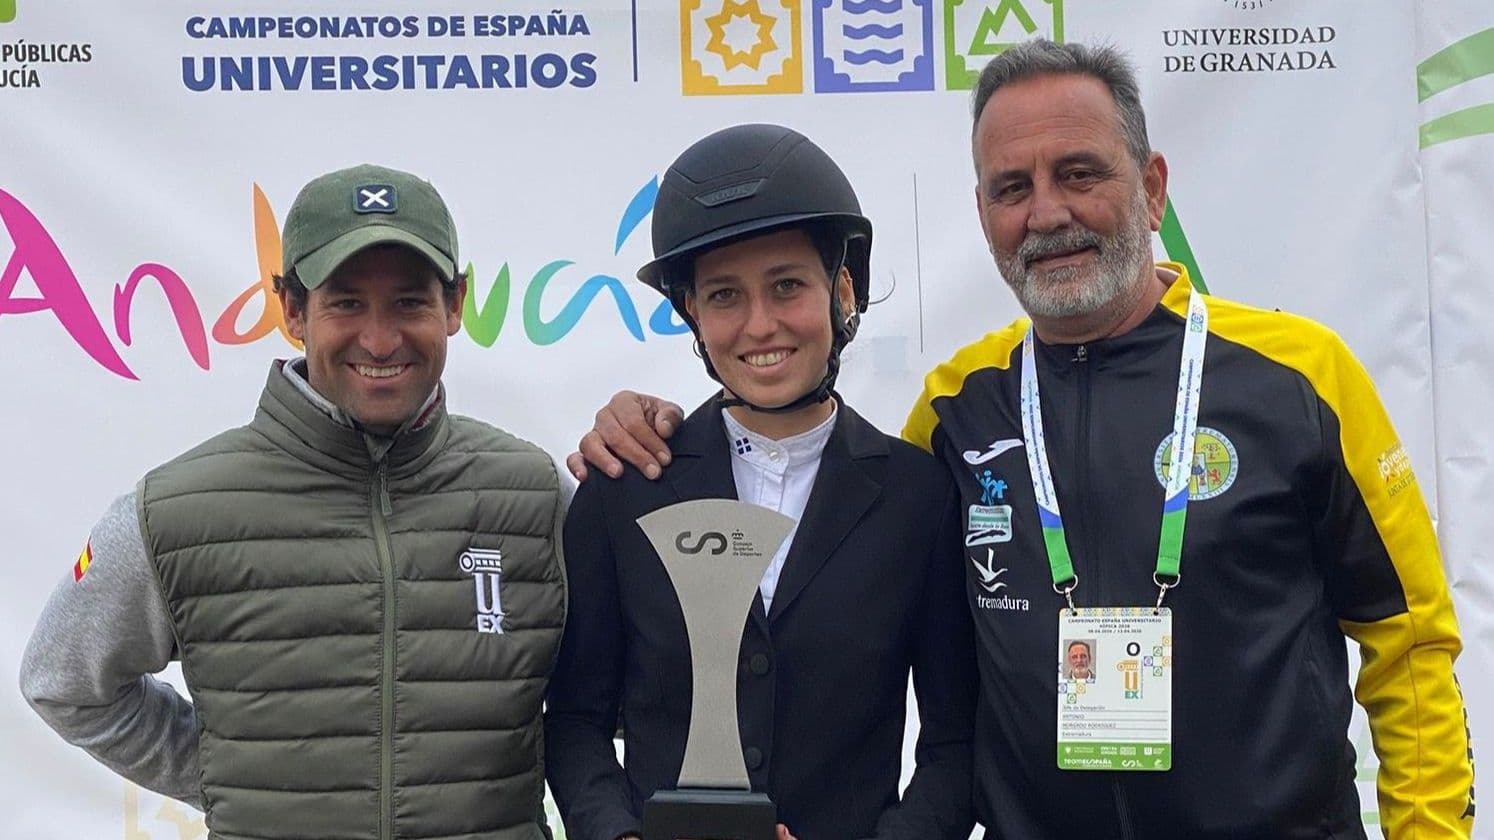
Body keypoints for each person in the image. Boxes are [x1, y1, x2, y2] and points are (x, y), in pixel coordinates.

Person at [567, 41, 1475, 839]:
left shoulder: (1301, 378)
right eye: (1013, 188)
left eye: (1079, 173)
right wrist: (646, 423)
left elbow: (1409, 646)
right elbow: (805, 459)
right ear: (983, 213)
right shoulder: (956, 411)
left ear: (1152, 186)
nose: (1046, 214)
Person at [19, 163, 568, 840]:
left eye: (409, 302)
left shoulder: (537, 493)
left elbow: (621, 697)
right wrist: (227, 773)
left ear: (454, 305)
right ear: (291, 309)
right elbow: (65, 682)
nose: (379, 339)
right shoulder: (174, 511)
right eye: (345, 303)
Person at [543, 124, 976, 840]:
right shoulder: (627, 485)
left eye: (786, 286)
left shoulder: (917, 498)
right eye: (723, 296)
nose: (759, 325)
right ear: (692, 314)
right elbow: (577, 723)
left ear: (842, 289)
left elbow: (955, 746)